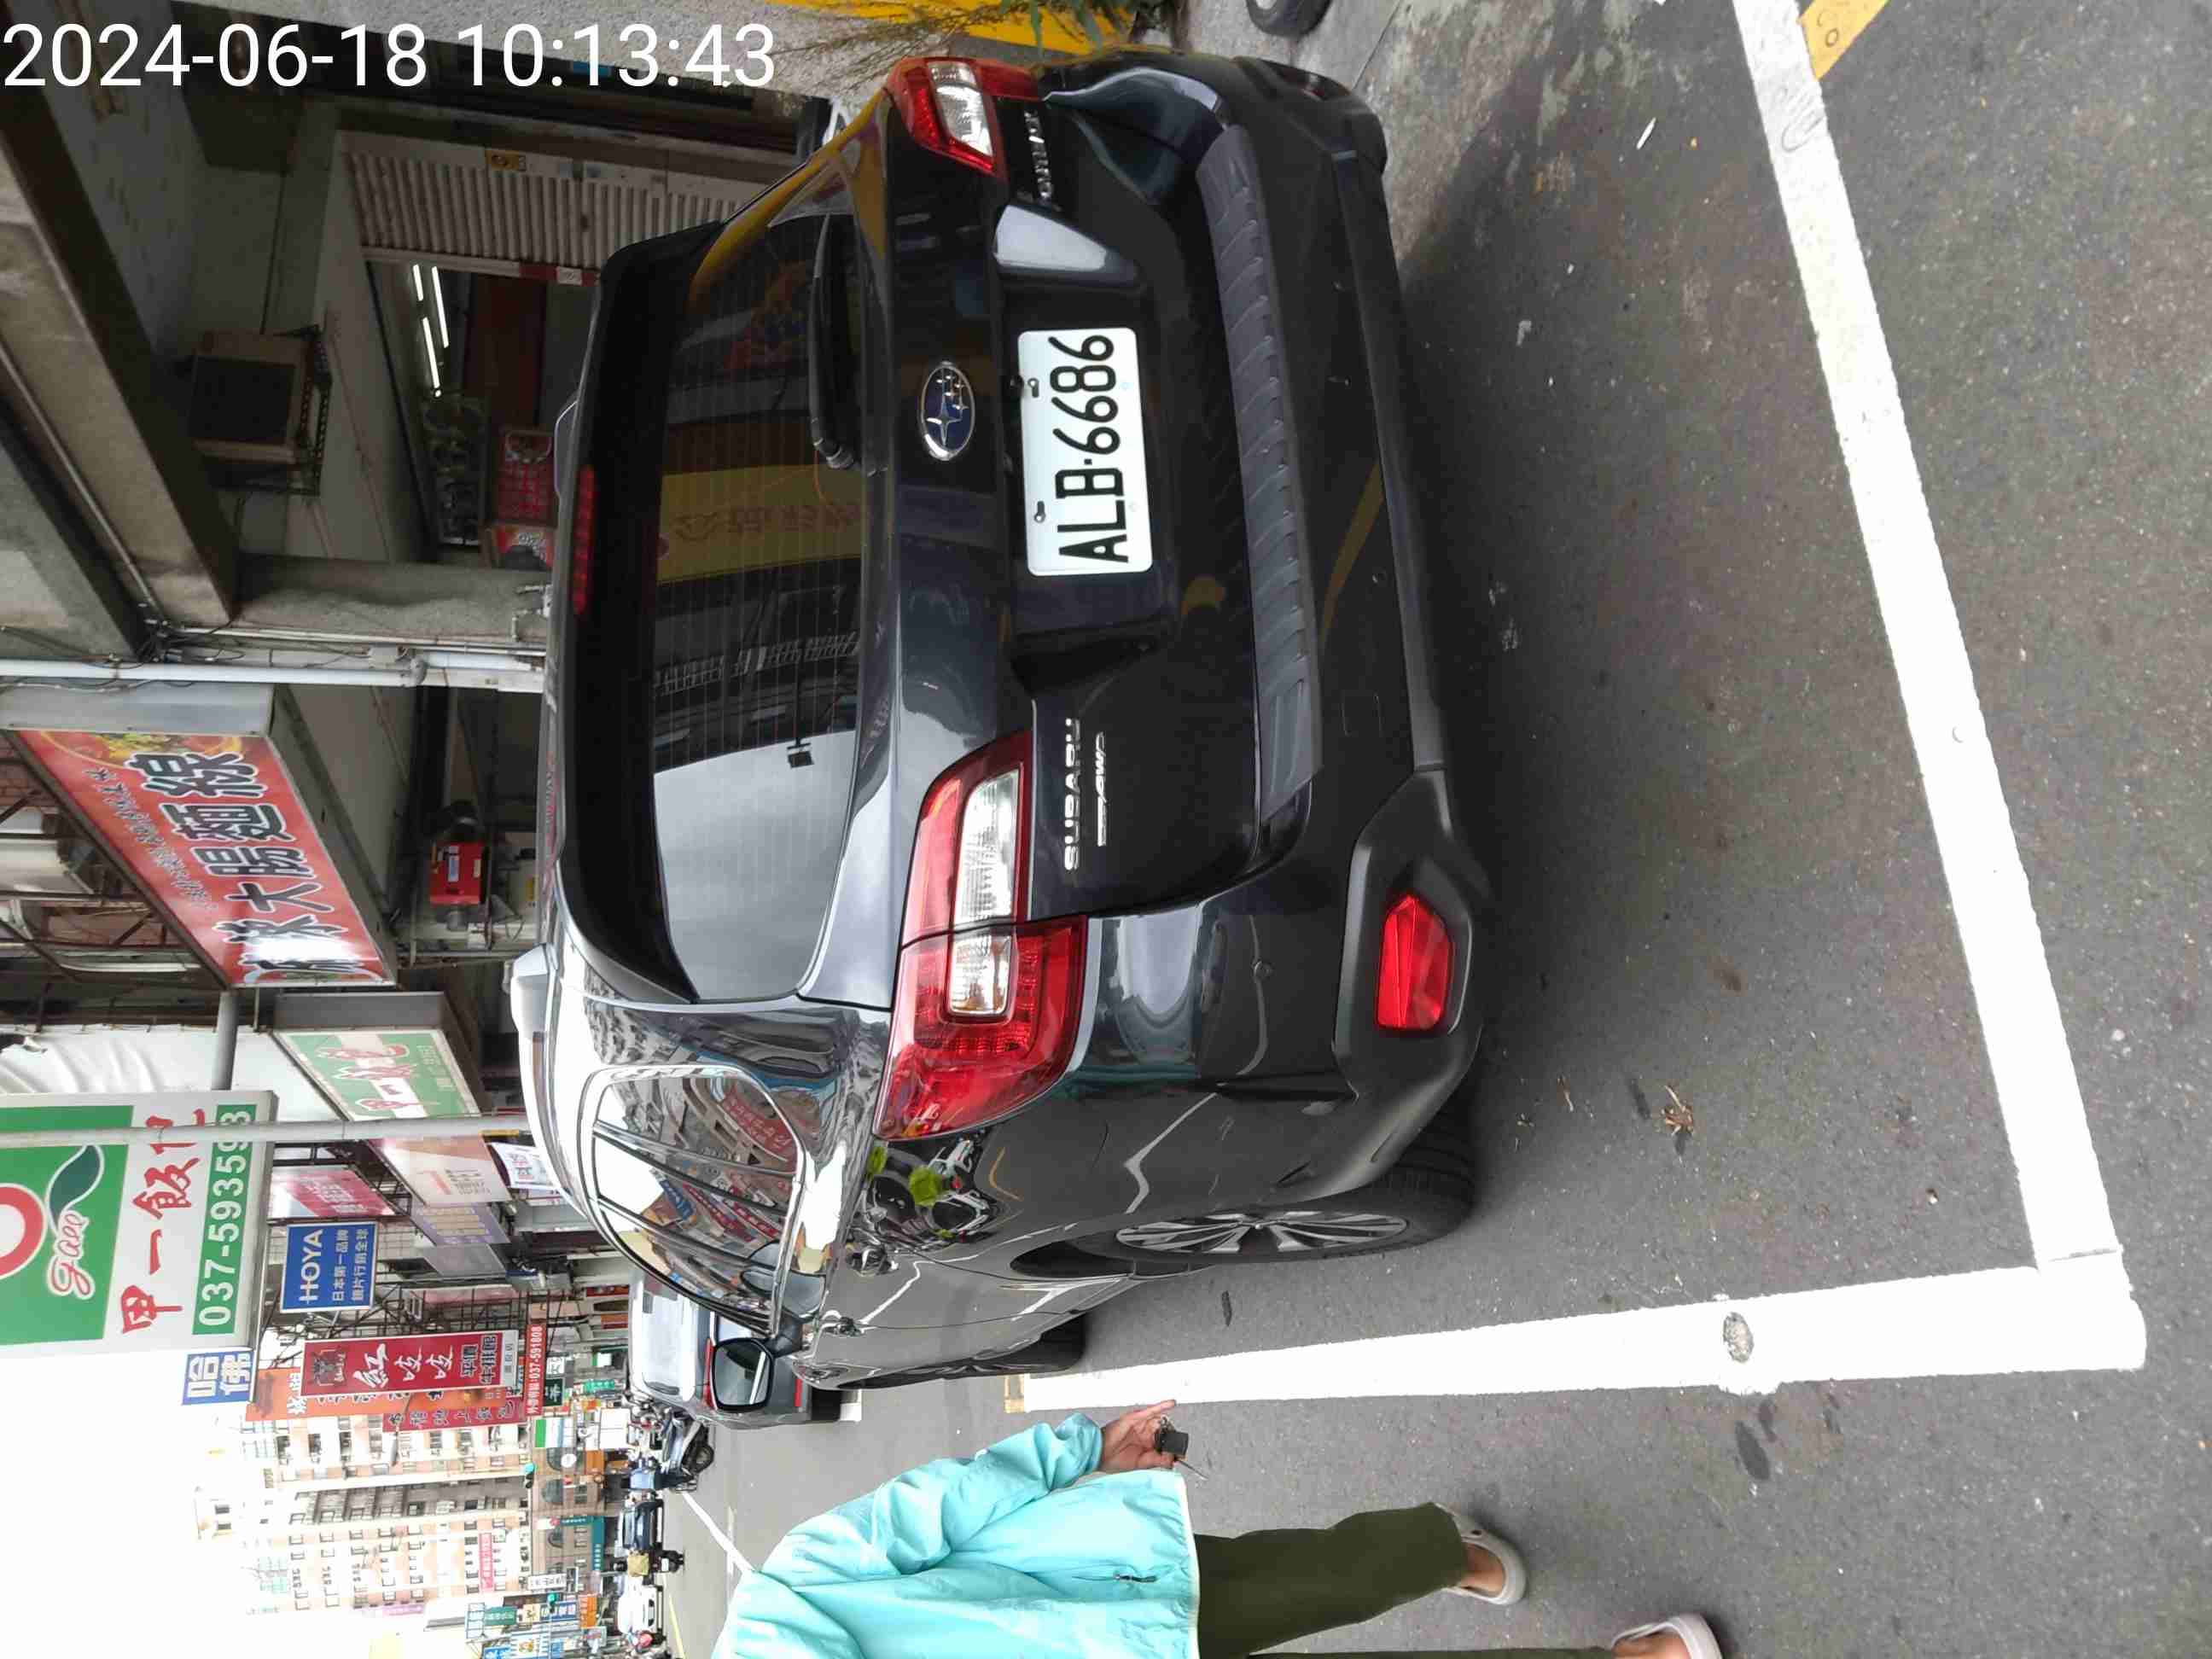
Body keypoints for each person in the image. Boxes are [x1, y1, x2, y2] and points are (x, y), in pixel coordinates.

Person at [715, 1400, 1721, 1659]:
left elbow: (930, 1506)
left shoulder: (780, 1604)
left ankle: (1435, 1550)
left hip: (1107, 1604)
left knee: (1322, 1578)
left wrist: (1080, 1452)